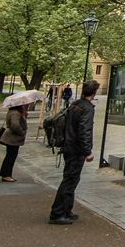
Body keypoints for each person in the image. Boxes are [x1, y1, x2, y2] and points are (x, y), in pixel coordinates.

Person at [49, 79, 98, 225]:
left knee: (71, 179)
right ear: (94, 92)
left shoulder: (75, 104)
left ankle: (66, 210)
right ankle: (57, 213)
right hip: (76, 149)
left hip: (68, 145)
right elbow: (85, 130)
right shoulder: (87, 108)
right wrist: (87, 151)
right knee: (70, 180)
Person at [0, 104, 28, 182]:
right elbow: (15, 125)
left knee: (10, 156)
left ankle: (6, 174)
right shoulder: (15, 113)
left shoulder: (12, 112)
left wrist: (23, 116)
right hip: (13, 138)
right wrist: (22, 132)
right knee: (10, 157)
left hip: (11, 138)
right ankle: (6, 175)